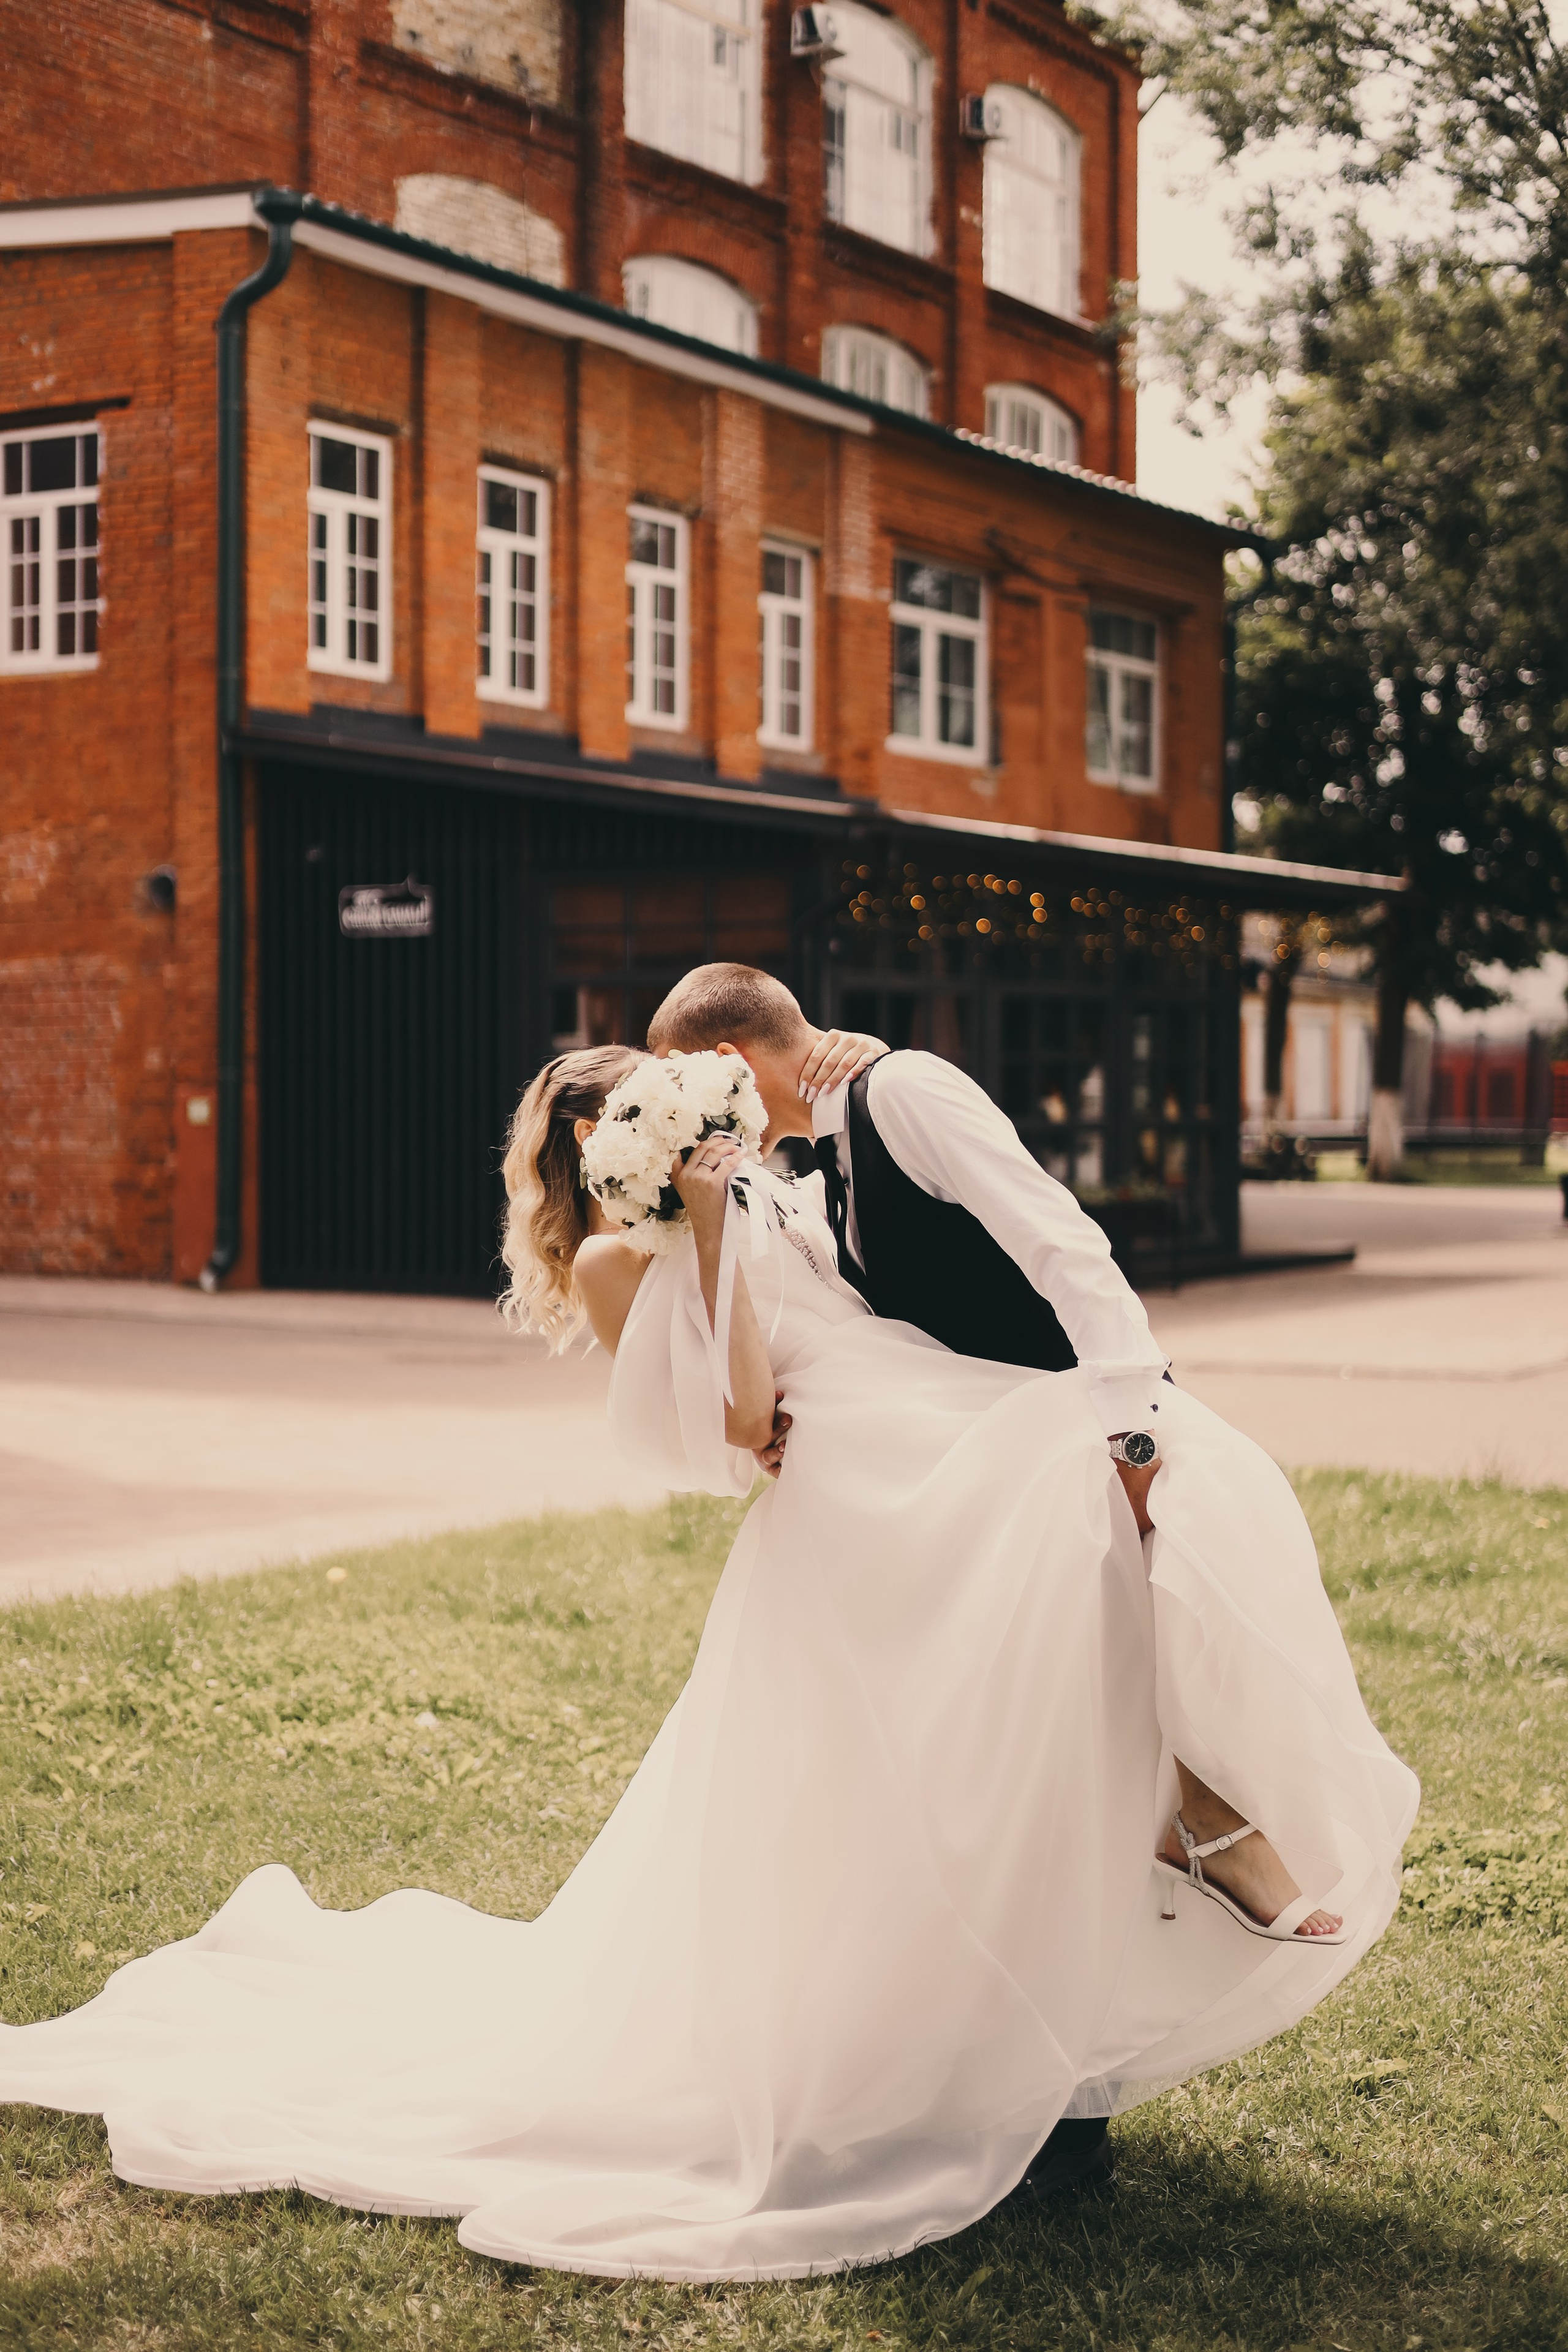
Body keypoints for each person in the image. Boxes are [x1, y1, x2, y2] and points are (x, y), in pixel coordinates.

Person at [0, 1016, 1418, 2286]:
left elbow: (852, 1220)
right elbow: (738, 1421)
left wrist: (822, 1087)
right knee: (945, 1752)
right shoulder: (626, 1256)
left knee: (1092, 1581)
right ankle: (1096, 1924)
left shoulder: (775, 1183)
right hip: (851, 1495)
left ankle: (1167, 1837)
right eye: (605, 1110)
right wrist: (704, 1216)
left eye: (641, 1089)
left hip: (935, 1431)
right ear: (584, 1155)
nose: (637, 1111)